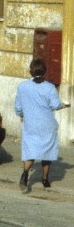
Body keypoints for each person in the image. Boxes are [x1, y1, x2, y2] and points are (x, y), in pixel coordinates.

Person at [16, 58, 69, 192]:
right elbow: (55, 105)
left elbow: (18, 107)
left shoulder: (22, 86)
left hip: (30, 124)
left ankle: (25, 174)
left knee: (30, 151)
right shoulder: (49, 87)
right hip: (47, 125)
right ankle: (45, 180)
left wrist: (22, 114)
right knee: (47, 152)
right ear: (44, 72)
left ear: (30, 71)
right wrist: (63, 105)